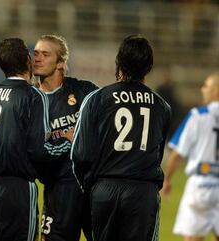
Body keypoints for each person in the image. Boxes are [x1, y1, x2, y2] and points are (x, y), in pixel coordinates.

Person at [0, 38, 71, 241]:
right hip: (16, 190)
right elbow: (39, 151)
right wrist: (67, 141)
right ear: (28, 60)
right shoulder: (33, 96)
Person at [71, 35, 171, 241]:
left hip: (104, 190)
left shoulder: (97, 99)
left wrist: (90, 187)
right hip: (142, 193)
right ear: (149, 67)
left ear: (118, 63)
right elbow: (157, 155)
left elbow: (80, 155)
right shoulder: (162, 106)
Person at [32, 34, 98, 241]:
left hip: (92, 189)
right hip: (58, 192)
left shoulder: (84, 91)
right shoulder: (30, 100)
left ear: (61, 62)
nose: (37, 59)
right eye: (35, 54)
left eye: (45, 54)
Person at [162, 73, 219, 241]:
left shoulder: (198, 115)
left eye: (207, 86)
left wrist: (168, 179)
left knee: (193, 238)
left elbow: (178, 152)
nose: (203, 89)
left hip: (200, 186)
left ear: (216, 92)